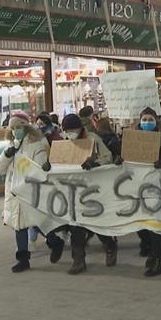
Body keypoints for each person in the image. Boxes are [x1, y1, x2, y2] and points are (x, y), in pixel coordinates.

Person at [0, 112, 63, 273]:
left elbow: (38, 167)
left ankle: (54, 242)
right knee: (19, 226)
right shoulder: (11, 145)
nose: (16, 130)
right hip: (14, 192)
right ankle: (23, 259)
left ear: (26, 127)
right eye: (13, 128)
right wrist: (7, 154)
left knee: (36, 222)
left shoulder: (36, 144)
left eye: (19, 127)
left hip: (30, 191)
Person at [58, 114, 117, 274]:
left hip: (92, 189)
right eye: (67, 130)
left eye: (73, 129)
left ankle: (110, 246)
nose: (71, 133)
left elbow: (108, 157)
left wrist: (95, 163)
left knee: (96, 223)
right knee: (75, 226)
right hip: (73, 190)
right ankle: (78, 260)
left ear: (80, 128)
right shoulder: (63, 143)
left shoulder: (93, 139)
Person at [127, 107, 161, 277]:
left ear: (156, 121)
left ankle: (156, 261)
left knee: (154, 226)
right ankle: (147, 247)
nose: (147, 122)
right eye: (144, 119)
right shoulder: (131, 140)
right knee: (140, 225)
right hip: (136, 188)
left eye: (150, 119)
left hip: (156, 188)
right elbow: (124, 159)